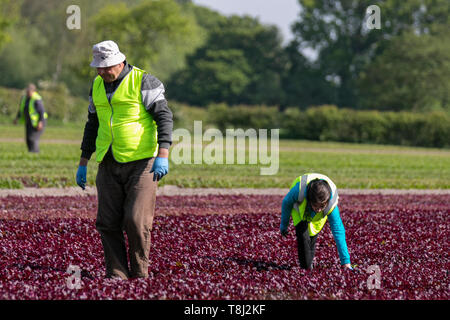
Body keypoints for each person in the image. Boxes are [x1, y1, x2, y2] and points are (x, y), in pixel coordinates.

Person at [75, 40, 173, 280]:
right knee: (107, 222)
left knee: (135, 219)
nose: (101, 71)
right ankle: (117, 274)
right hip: (108, 160)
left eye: (106, 67)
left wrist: (163, 154)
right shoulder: (97, 85)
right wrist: (83, 162)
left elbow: (164, 117)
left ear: (120, 62)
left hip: (143, 162)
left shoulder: (144, 82)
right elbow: (92, 125)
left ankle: (140, 274)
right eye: (98, 67)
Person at [280, 173, 353, 270]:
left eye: (321, 206)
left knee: (312, 238)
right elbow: (286, 203)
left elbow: (338, 231)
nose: (319, 210)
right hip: (300, 208)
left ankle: (309, 266)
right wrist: (284, 225)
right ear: (310, 200)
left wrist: (346, 262)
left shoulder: (331, 205)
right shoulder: (298, 191)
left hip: (317, 216)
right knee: (303, 238)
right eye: (316, 206)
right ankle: (307, 267)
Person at [14, 83, 48, 153]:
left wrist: (40, 122)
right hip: (29, 122)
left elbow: (41, 111)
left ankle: (35, 153)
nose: (27, 93)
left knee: (33, 138)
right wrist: (17, 118)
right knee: (28, 139)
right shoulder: (24, 98)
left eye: (29, 91)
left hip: (39, 122)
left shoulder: (37, 99)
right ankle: (31, 152)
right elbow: (21, 109)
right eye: (27, 91)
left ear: (33, 91)